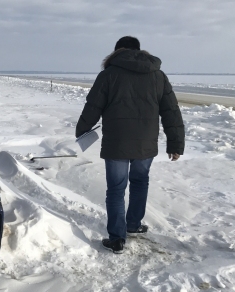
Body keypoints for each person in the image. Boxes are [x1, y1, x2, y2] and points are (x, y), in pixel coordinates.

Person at [75, 36, 185, 254]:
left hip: (117, 141)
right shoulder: (158, 75)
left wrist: (82, 131)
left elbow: (93, 106)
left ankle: (117, 238)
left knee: (116, 189)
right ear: (139, 51)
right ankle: (133, 224)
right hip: (146, 141)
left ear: (117, 52)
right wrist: (175, 142)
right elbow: (171, 111)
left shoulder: (108, 75)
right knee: (140, 181)